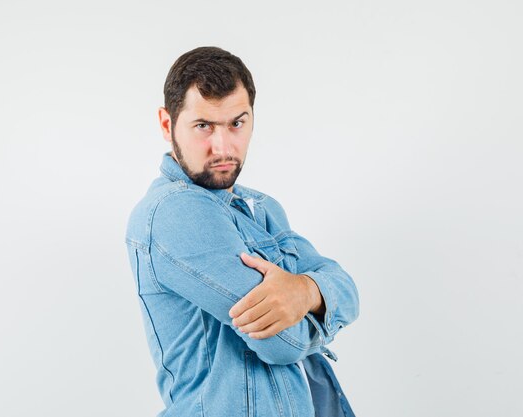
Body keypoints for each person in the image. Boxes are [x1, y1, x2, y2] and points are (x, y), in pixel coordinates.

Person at [125, 46, 360, 417]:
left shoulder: (262, 208)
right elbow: (283, 342)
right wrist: (320, 302)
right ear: (167, 124)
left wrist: (306, 290)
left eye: (236, 123)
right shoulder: (173, 211)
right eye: (203, 126)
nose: (223, 147)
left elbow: (347, 288)